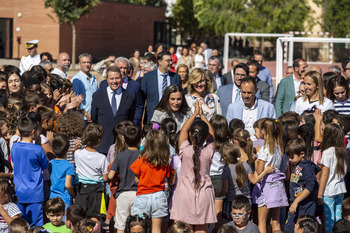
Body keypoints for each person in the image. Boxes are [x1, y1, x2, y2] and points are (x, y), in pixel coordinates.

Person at [170, 100, 216, 233]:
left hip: (184, 194)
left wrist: (194, 114)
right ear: (205, 136)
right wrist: (202, 116)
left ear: (191, 134)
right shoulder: (208, 151)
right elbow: (212, 135)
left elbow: (184, 129)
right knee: (201, 230)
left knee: (184, 230)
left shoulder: (184, 149)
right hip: (204, 195)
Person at [130, 125, 175, 233]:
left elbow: (136, 179)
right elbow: (170, 180)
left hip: (143, 196)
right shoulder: (165, 162)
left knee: (140, 227)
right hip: (159, 196)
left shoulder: (141, 159)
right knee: (156, 229)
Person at [252, 118, 288, 233]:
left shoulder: (264, 149)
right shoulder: (279, 147)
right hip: (277, 185)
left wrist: (256, 157)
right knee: (275, 221)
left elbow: (259, 170)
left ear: (263, 131)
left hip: (266, 186)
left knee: (262, 221)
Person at [11, 115, 48, 226]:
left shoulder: (14, 147)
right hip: (35, 193)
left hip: (18, 192)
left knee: (20, 225)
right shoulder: (38, 149)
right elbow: (44, 165)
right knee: (35, 225)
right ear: (33, 131)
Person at [91, 66, 136, 154]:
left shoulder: (130, 97)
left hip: (123, 147)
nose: (114, 81)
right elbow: (94, 118)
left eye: (117, 78)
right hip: (103, 145)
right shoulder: (97, 96)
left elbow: (130, 119)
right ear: (107, 79)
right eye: (111, 78)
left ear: (121, 78)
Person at [107, 125, 142, 233]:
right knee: (138, 225)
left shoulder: (119, 155)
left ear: (123, 139)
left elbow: (110, 176)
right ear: (140, 139)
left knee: (121, 226)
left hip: (122, 194)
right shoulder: (142, 155)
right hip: (138, 194)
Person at [284, 138, 321, 233]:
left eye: (292, 157)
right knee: (289, 228)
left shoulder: (307, 167)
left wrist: (296, 201)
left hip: (305, 205)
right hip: (296, 204)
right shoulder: (297, 165)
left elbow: (310, 187)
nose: (290, 159)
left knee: (304, 229)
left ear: (302, 154)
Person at [74, 124, 109, 222]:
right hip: (96, 190)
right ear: (99, 141)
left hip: (81, 189)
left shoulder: (78, 154)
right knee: (95, 218)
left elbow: (74, 154)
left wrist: (77, 148)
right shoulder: (102, 158)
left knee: (81, 218)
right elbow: (105, 178)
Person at [317, 123, 347, 233]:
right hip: (340, 188)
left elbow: (324, 174)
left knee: (329, 219)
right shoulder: (342, 151)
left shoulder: (327, 152)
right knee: (338, 217)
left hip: (329, 190)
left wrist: (319, 194)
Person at [99, 57, 143, 125]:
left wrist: (135, 123)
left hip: (127, 126)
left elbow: (139, 106)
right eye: (120, 68)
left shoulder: (135, 85)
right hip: (107, 125)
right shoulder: (104, 84)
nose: (122, 70)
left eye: (125, 68)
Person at [141, 51, 182, 123]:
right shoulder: (148, 77)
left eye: (171, 60)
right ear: (160, 62)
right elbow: (141, 99)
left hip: (172, 116)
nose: (170, 63)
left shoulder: (176, 77)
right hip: (153, 116)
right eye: (167, 61)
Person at [49, 134, 75, 211]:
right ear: (68, 149)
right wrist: (74, 195)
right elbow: (68, 185)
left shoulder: (50, 163)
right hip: (64, 199)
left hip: (52, 198)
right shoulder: (69, 166)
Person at [71, 53, 98, 122]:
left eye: (88, 62)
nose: (86, 64)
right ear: (79, 64)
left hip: (94, 117)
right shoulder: (76, 80)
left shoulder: (94, 79)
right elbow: (75, 100)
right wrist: (86, 114)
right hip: (83, 118)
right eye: (84, 62)